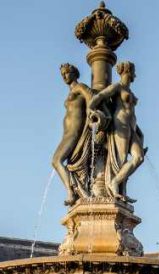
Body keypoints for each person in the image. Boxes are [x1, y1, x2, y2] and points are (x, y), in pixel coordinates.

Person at [88, 60, 146, 203]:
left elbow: (132, 112)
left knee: (139, 157)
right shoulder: (118, 87)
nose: (135, 75)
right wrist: (91, 109)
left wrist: (139, 131)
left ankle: (116, 182)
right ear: (127, 71)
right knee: (120, 160)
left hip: (132, 127)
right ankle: (115, 187)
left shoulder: (130, 91)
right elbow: (99, 96)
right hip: (120, 125)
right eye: (133, 72)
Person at [51, 63, 94, 206]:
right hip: (67, 133)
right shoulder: (71, 91)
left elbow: (90, 97)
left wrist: (91, 114)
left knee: (56, 161)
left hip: (74, 132)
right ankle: (75, 189)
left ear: (74, 74)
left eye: (67, 73)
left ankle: (71, 192)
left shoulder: (79, 87)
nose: (64, 76)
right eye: (62, 74)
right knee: (57, 161)